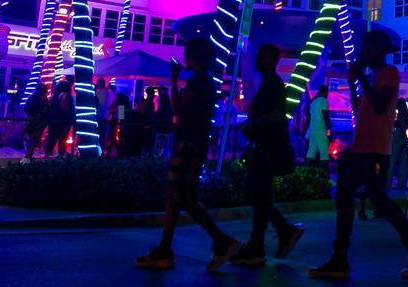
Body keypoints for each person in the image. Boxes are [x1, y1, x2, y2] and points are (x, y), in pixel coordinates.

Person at [309, 30, 408, 280]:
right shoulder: (376, 78)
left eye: (366, 48)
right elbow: (362, 109)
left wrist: (361, 79)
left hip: (373, 151)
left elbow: (379, 105)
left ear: (377, 50)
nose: (362, 52)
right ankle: (342, 257)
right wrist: (357, 83)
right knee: (363, 200)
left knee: (374, 201)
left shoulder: (389, 74)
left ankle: (343, 258)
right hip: (362, 148)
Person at [136, 38, 240, 271]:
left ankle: (173, 248)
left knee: (177, 194)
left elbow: (179, 110)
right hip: (196, 144)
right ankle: (213, 242)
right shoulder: (207, 82)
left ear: (193, 57)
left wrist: (174, 80)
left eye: (187, 54)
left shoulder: (197, 82)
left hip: (188, 144)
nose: (184, 58)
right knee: (184, 198)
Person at [230, 44, 304, 267]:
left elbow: (278, 115)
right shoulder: (270, 84)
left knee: (258, 195)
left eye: (262, 56)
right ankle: (267, 240)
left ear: (271, 60)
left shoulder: (273, 84)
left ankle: (265, 241)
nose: (257, 58)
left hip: (267, 148)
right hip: (264, 147)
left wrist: (252, 126)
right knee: (258, 196)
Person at [45, 80, 74, 158]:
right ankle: (60, 156)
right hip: (62, 120)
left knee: (52, 138)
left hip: (53, 119)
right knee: (62, 139)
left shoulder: (54, 96)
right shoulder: (64, 95)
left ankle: (47, 155)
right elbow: (65, 108)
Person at [305, 85, 331, 170]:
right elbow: (326, 117)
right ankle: (325, 177)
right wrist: (329, 131)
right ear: (324, 92)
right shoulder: (323, 101)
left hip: (312, 131)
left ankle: (304, 173)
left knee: (311, 153)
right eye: (327, 92)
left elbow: (308, 117)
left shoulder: (313, 102)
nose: (327, 94)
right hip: (320, 131)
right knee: (324, 155)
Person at [22, 86, 49, 162]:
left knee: (31, 139)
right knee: (34, 140)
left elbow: (26, 108)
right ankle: (27, 157)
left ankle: (28, 156)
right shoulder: (43, 100)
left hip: (30, 121)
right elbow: (46, 111)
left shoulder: (31, 98)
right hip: (38, 122)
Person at [389, 98, 408, 190]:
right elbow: (405, 126)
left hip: (398, 137)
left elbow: (400, 126)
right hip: (403, 138)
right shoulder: (405, 114)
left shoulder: (400, 115)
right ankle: (402, 184)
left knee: (392, 161)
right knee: (403, 163)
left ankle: (387, 182)